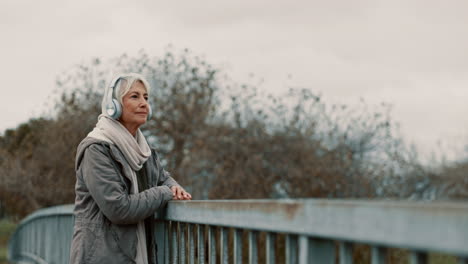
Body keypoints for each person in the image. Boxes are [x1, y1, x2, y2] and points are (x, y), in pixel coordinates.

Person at [69, 73, 191, 264]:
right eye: (135, 96)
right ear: (113, 105)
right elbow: (119, 209)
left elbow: (164, 178)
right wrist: (164, 192)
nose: (144, 103)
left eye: (146, 97)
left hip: (137, 255)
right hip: (102, 258)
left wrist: (174, 189)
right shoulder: (96, 149)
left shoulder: (143, 150)